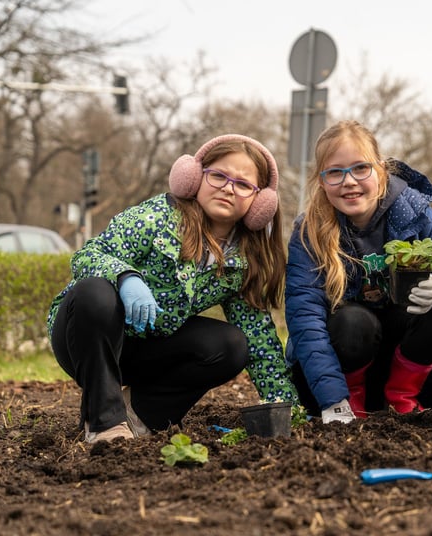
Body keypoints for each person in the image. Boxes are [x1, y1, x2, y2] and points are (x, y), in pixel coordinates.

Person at [48, 134, 297, 443]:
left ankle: (137, 415)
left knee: (233, 345)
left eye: (243, 184)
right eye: (218, 176)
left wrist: (287, 407)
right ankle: (104, 422)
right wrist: (126, 277)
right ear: (194, 177)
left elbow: (258, 337)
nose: (228, 188)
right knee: (94, 293)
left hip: (148, 352)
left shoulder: (243, 260)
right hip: (86, 337)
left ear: (260, 202)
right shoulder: (156, 218)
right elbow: (87, 257)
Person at [285, 120, 432, 424]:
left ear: (381, 170)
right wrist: (333, 398)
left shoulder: (413, 210)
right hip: (343, 365)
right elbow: (304, 317)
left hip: (402, 360)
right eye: (335, 172)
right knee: (353, 320)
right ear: (321, 181)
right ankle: (352, 404)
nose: (349, 181)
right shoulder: (309, 232)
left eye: (360, 168)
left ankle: (402, 396)